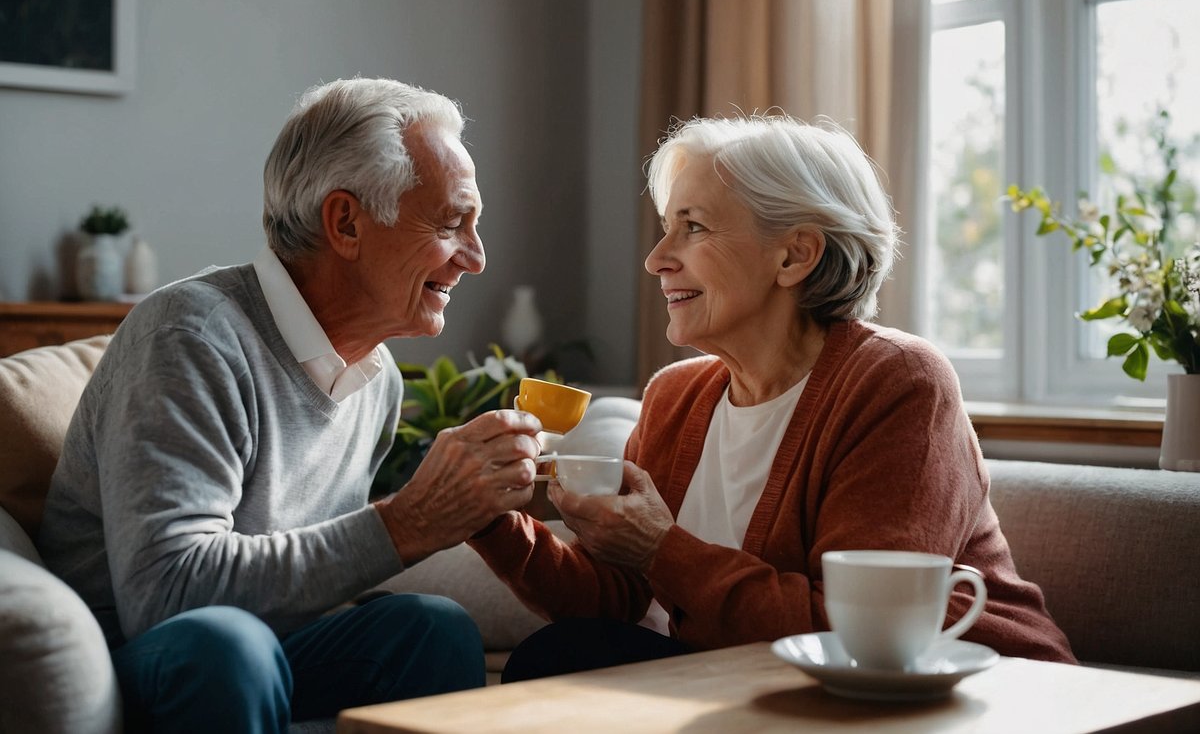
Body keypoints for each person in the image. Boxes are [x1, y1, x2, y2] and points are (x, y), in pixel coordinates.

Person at [470, 114, 1075, 681]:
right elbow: (614, 600)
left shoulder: (898, 382)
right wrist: (490, 514)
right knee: (562, 657)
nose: (656, 259)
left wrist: (663, 548)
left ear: (795, 254)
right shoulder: (674, 396)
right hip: (767, 687)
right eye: (665, 230)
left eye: (694, 227)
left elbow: (851, 634)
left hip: (961, 692)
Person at [38, 78, 542, 731]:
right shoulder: (190, 336)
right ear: (346, 222)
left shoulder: (376, 379)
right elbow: (166, 596)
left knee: (431, 631)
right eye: (451, 224)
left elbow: (322, 575)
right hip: (143, 663)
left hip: (270, 649)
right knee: (227, 646)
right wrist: (403, 524)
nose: (475, 258)